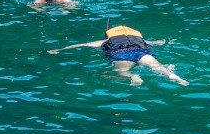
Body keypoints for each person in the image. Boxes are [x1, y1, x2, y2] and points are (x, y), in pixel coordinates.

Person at [48, 19, 189, 86]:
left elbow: (83, 44)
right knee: (157, 66)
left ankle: (132, 77)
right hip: (139, 51)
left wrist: (59, 49)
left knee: (123, 72)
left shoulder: (103, 42)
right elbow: (158, 42)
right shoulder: (140, 39)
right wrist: (167, 41)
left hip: (120, 54)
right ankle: (172, 75)